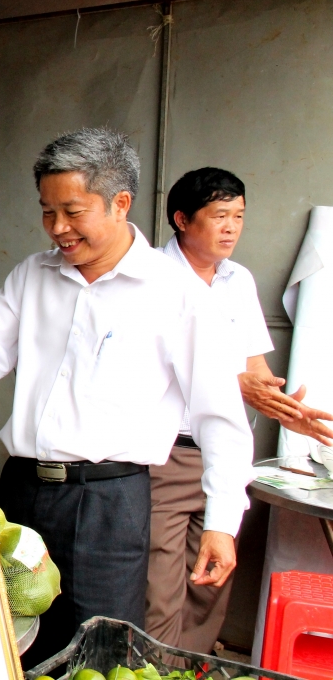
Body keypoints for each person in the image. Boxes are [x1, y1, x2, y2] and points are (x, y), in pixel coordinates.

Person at [0, 128, 254, 666]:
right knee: (8, 639)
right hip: (21, 492)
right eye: (46, 212)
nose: (57, 228)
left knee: (97, 655)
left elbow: (219, 416)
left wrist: (223, 522)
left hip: (109, 502)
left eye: (73, 211)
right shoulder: (33, 275)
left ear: (120, 204)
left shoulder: (175, 292)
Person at [146, 167, 333, 653]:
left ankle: (194, 664)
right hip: (162, 457)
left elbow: (255, 367)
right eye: (220, 215)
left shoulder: (237, 280)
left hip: (223, 456)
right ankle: (152, 668)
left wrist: (283, 406)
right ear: (182, 219)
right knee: (158, 588)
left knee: (210, 581)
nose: (231, 227)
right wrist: (239, 385)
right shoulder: (148, 277)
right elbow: (145, 373)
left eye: (239, 216)